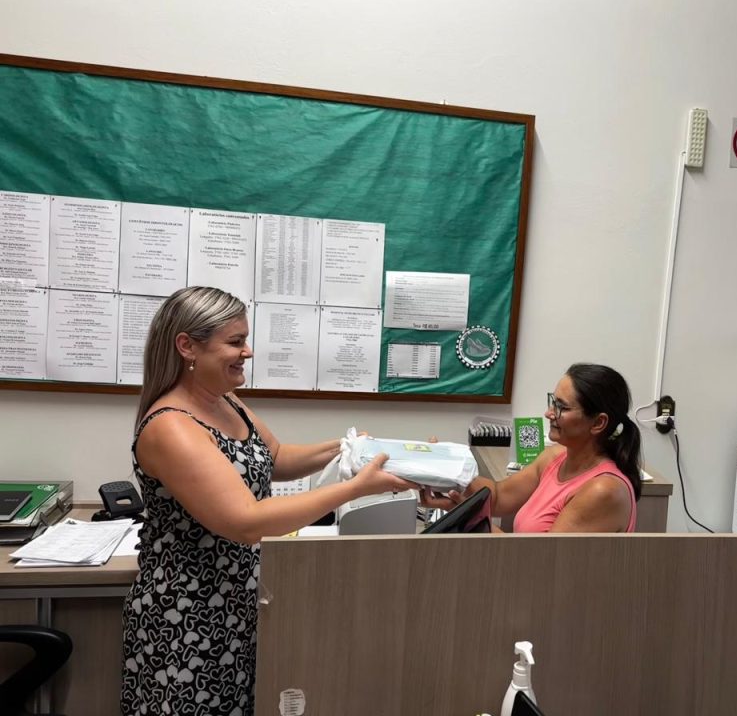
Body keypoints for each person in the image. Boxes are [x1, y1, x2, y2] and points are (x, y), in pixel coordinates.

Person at [121, 286, 415, 716]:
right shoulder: (171, 427)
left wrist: (349, 450)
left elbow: (275, 457)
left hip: (237, 605)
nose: (248, 351)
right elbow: (246, 521)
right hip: (189, 619)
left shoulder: (223, 400)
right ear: (187, 346)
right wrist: (355, 488)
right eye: (235, 342)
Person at [424, 363, 641, 533]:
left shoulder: (603, 491)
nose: (549, 413)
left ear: (598, 423)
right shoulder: (555, 458)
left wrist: (467, 517)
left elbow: (543, 560)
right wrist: (448, 469)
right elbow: (499, 496)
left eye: (562, 407)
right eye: (553, 402)